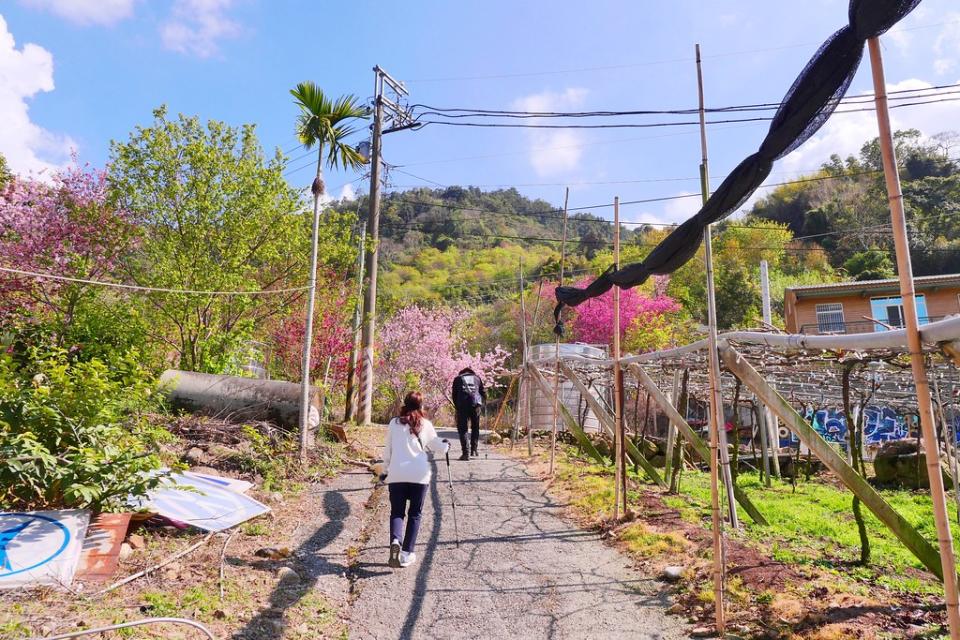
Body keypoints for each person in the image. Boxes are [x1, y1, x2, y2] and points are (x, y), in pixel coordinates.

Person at [382, 391, 449, 569]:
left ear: (404, 404)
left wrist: (385, 470)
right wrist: (446, 446)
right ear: (420, 406)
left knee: (397, 512)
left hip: (397, 474)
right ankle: (406, 553)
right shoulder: (425, 424)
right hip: (419, 475)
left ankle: (396, 539)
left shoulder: (394, 424)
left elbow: (387, 450)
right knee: (415, 514)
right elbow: (436, 446)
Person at [452, 367, 486, 461]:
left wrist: (457, 407)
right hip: (475, 405)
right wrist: (481, 404)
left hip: (462, 405)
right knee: (475, 427)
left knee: (463, 429)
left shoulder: (457, 379)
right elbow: (483, 393)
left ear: (461, 373)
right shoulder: (477, 378)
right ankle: (474, 450)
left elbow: (454, 395)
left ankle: (465, 453)